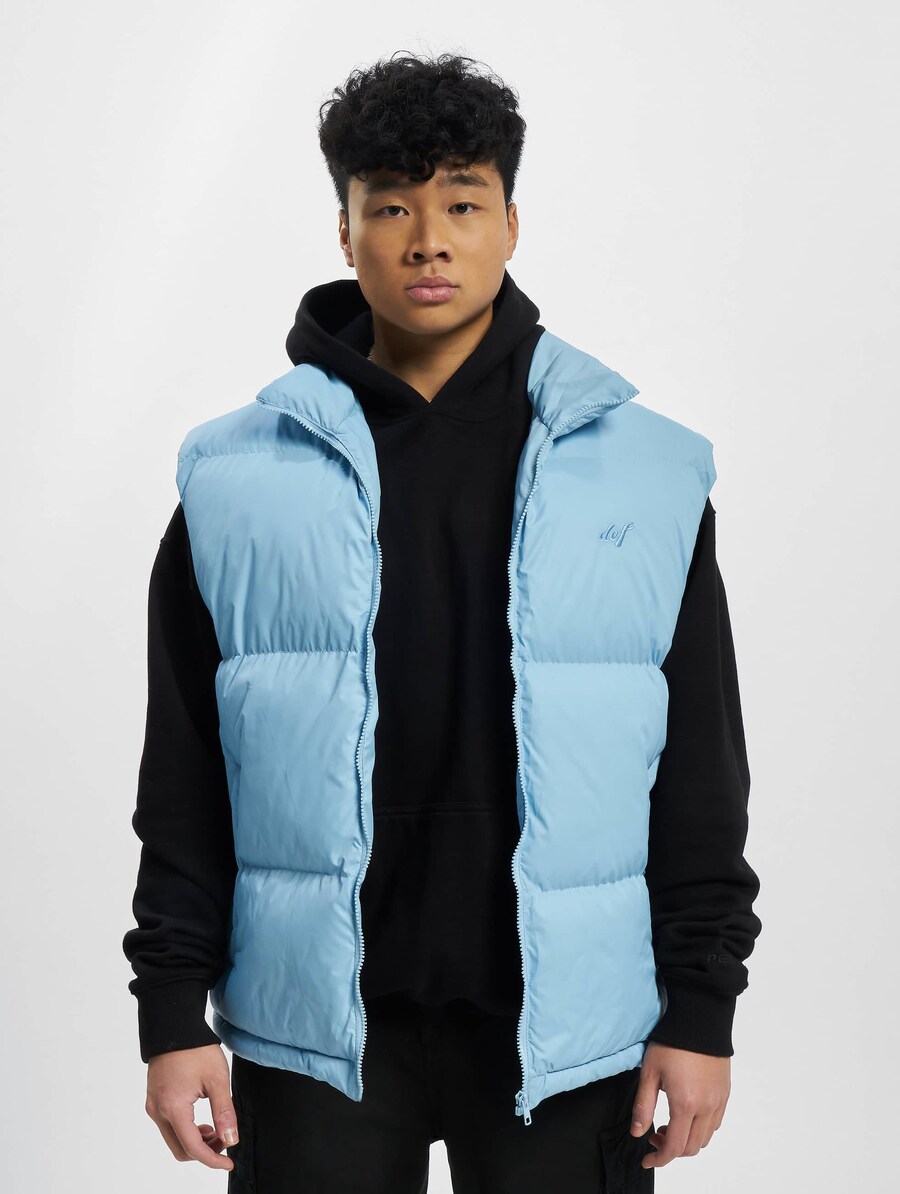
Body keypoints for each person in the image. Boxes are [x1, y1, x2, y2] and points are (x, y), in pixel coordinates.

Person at [122, 50, 762, 1193]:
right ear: (345, 231)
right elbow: (185, 765)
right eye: (392, 207)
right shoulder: (234, 477)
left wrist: (702, 1006)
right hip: (312, 1033)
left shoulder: (646, 471)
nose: (429, 240)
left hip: (569, 1031)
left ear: (511, 224)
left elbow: (700, 765)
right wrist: (172, 1010)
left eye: (463, 203)